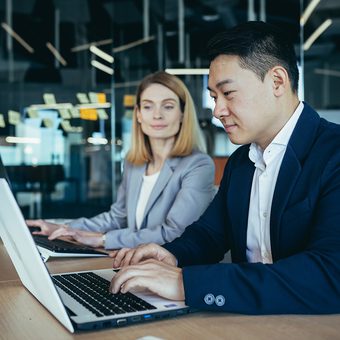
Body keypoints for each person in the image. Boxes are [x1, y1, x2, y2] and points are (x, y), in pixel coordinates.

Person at [109, 21, 340, 314]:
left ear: (277, 82)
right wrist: (170, 254)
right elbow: (209, 235)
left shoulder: (333, 153)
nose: (217, 111)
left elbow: (330, 275)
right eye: (214, 97)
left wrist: (186, 283)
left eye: (228, 94)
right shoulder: (242, 161)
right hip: (244, 323)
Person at [26, 71, 215, 250]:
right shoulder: (135, 164)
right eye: (148, 106)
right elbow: (117, 219)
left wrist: (103, 239)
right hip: (133, 261)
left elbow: (175, 232)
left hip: (174, 271)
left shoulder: (198, 165)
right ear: (139, 114)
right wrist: (65, 228)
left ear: (182, 113)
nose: (157, 115)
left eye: (168, 106)